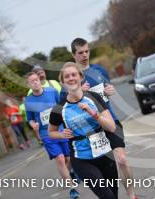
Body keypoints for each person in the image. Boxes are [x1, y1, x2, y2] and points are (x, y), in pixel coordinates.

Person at [68, 38, 137, 199]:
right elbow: (66, 104)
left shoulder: (100, 70)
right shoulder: (72, 78)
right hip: (91, 130)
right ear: (74, 55)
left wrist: (111, 90)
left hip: (110, 121)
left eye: (87, 51)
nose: (85, 55)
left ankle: (132, 195)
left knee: (122, 159)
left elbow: (107, 91)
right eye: (80, 53)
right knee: (105, 172)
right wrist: (78, 92)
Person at [49, 62, 119, 199]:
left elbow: (111, 127)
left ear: (81, 77)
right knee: (107, 197)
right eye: (67, 76)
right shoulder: (59, 109)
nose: (71, 78)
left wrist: (95, 115)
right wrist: (61, 134)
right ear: (63, 82)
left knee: (113, 195)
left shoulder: (93, 98)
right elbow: (51, 132)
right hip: (82, 158)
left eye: (74, 74)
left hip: (105, 153)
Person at [25, 72, 80, 199]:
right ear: (29, 84)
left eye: (36, 80)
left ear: (40, 80)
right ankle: (72, 188)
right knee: (60, 158)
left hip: (61, 129)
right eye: (32, 81)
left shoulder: (52, 91)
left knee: (69, 158)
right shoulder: (29, 101)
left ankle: (68, 173)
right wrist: (33, 125)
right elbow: (30, 119)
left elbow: (62, 106)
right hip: (46, 134)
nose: (35, 82)